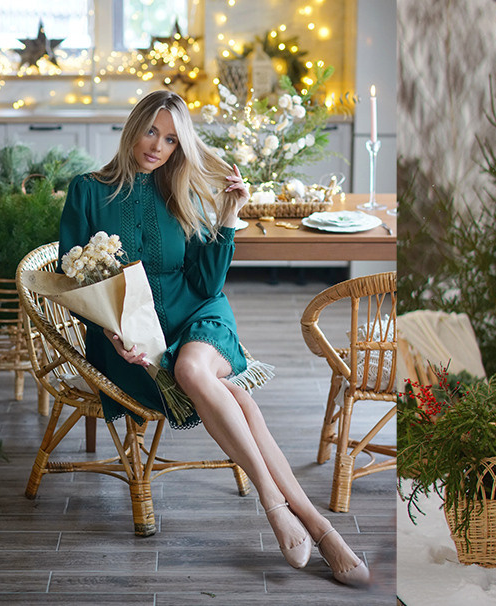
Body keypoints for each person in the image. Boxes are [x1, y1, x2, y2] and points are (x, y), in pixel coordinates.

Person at [59, 89, 369, 587]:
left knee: (193, 368)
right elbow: (73, 278)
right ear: (134, 126)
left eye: (172, 140)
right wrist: (113, 334)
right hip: (131, 344)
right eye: (152, 131)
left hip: (200, 317)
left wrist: (227, 218)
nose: (157, 146)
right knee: (232, 398)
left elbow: (207, 285)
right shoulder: (87, 191)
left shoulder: (178, 189)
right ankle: (319, 526)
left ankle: (274, 507)